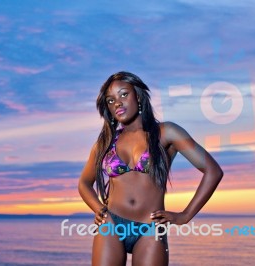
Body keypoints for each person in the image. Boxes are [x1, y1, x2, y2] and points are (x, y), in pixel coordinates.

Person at [78, 71, 223, 266]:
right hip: (111, 224)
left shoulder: (166, 132)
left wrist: (185, 215)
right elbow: (84, 183)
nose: (118, 103)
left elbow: (213, 171)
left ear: (137, 96)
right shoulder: (105, 142)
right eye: (110, 100)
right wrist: (99, 209)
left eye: (123, 94)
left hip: (150, 227)